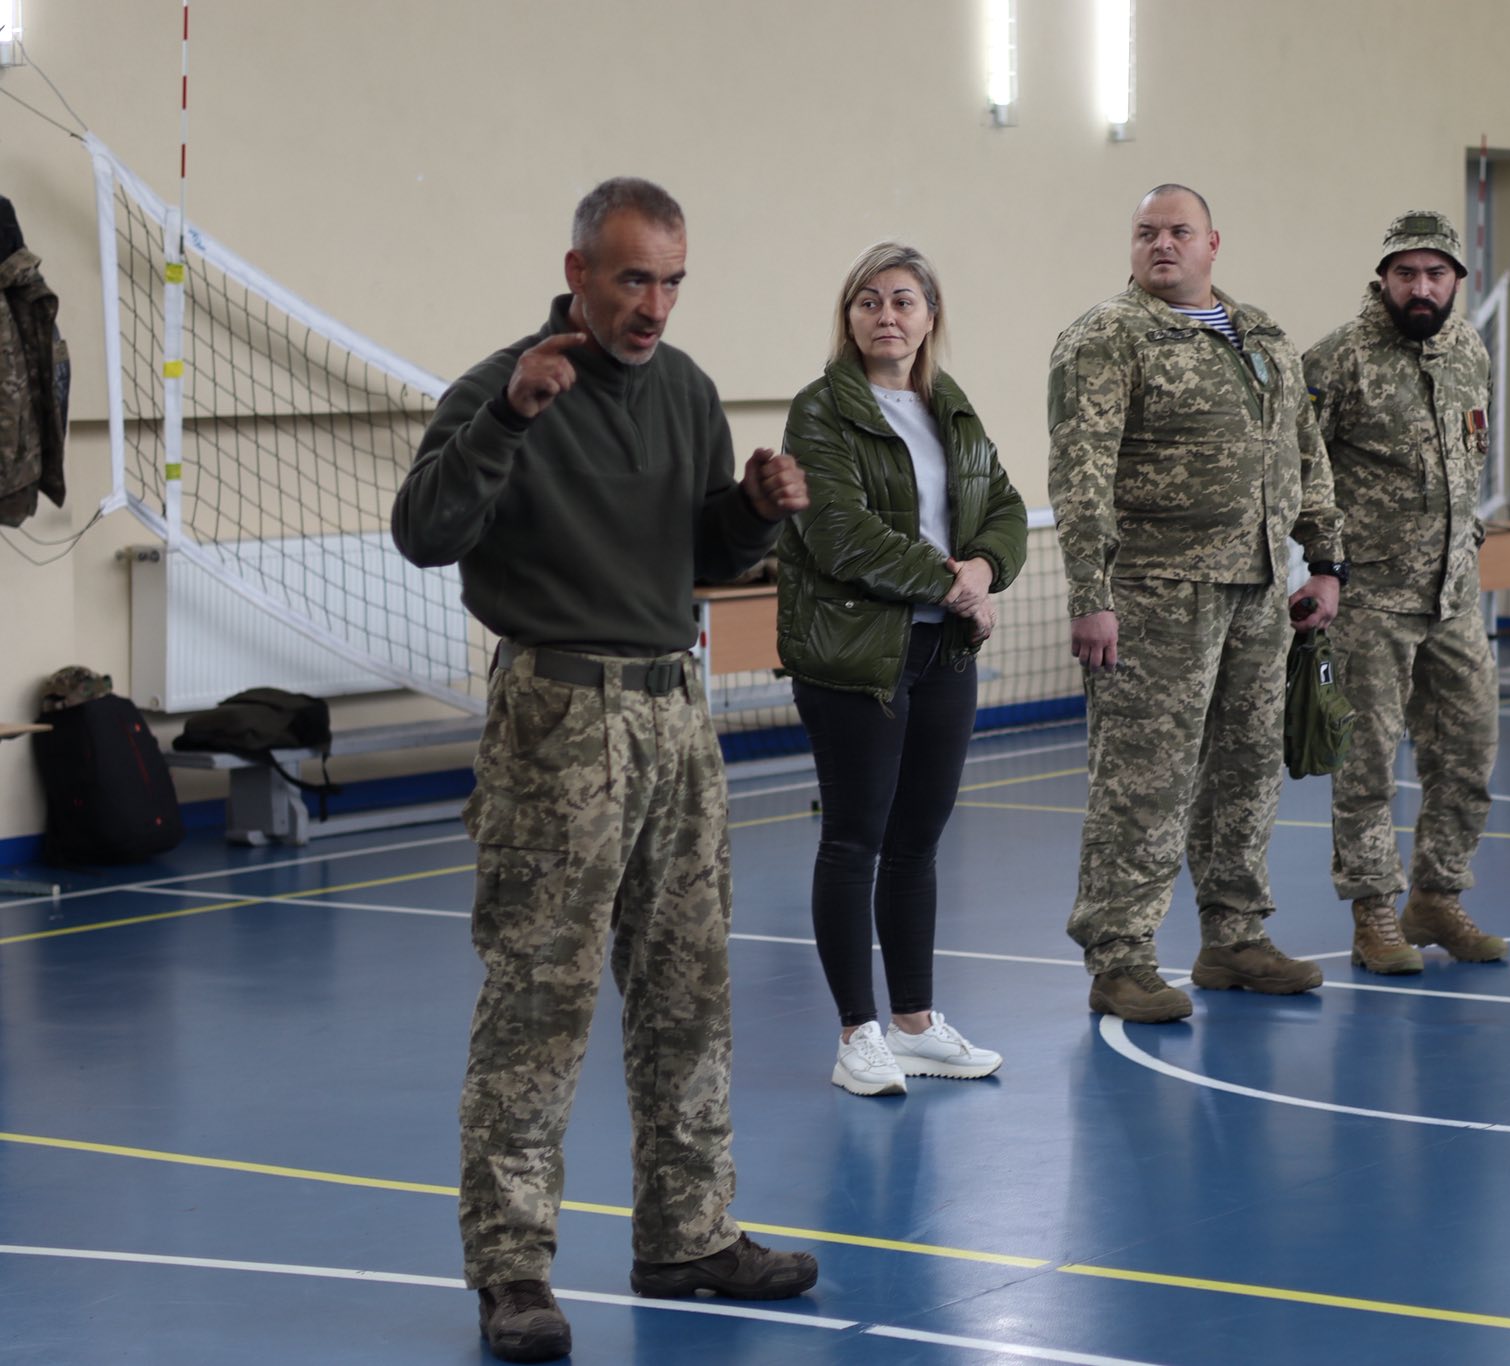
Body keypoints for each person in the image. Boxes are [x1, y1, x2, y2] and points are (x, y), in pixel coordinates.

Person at [392, 177, 818, 1365]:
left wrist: (752, 511)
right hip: (557, 718)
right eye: (634, 279)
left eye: (672, 282)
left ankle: (688, 1235)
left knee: (688, 988)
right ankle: (511, 1268)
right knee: (539, 1001)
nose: (654, 306)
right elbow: (423, 532)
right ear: (577, 271)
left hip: (674, 713)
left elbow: (698, 556)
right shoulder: (502, 386)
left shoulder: (685, 392)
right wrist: (506, 421)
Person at [1047, 184, 1346, 1023]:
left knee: (1246, 772)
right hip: (1154, 595)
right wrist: (1090, 594)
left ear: (1214, 243)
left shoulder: (1264, 336)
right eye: (1146, 232)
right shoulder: (1107, 337)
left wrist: (1326, 562)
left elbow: (1306, 454)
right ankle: (1120, 957)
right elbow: (1080, 475)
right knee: (1143, 781)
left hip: (1260, 589)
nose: (1162, 244)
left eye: (1179, 231)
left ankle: (1234, 937)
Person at [776, 242, 1028, 1096]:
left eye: (904, 300)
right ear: (849, 318)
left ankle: (915, 1026)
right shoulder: (819, 411)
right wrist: (956, 587)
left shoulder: (949, 407)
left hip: (942, 653)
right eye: (870, 300)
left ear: (929, 317)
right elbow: (840, 535)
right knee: (855, 840)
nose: (887, 315)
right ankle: (857, 1034)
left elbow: (1003, 506)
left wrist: (983, 569)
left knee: (918, 842)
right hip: (856, 655)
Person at [1302, 210, 1507, 975]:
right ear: (1384, 278)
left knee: (1469, 752)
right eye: (1406, 274)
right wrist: (1324, 564)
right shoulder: (1338, 360)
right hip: (1370, 603)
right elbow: (1298, 470)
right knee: (1366, 767)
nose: (1421, 288)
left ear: (1457, 280)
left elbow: (1469, 460)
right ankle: (1374, 914)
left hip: (1453, 598)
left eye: (1436, 274)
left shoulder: (1469, 352)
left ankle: (1437, 896)